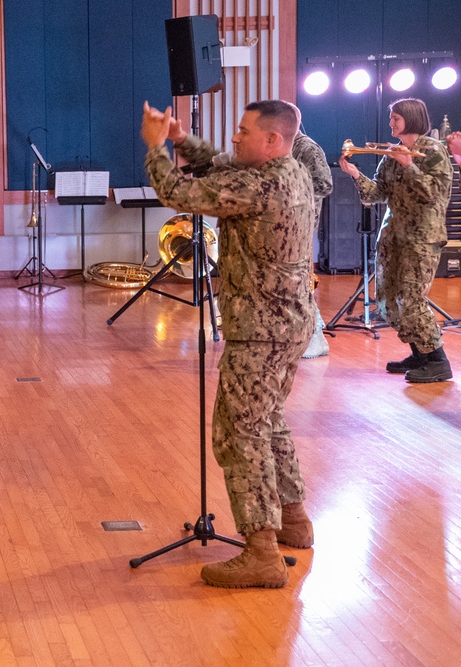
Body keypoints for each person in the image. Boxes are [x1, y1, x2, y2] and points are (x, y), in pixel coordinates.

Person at [142, 99, 315, 589]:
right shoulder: (294, 171)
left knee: (239, 434)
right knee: (269, 421)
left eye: (243, 131)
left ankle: (260, 551)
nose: (234, 138)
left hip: (260, 330)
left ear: (273, 141)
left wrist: (156, 147)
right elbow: (219, 162)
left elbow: (177, 192)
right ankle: (295, 520)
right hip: (291, 323)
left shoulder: (256, 184)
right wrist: (181, 139)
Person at [339, 98, 453, 383]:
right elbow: (377, 194)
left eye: (396, 119)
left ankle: (438, 360)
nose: (391, 123)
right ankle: (420, 353)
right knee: (389, 300)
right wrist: (355, 174)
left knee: (411, 298)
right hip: (394, 237)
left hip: (421, 239)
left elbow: (435, 194)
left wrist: (410, 166)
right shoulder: (391, 154)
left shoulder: (433, 151)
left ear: (411, 120)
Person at [290, 111, 334, 359]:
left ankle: (316, 336)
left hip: (302, 224)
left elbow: (324, 184)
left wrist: (290, 189)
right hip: (286, 224)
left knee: (302, 282)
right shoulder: (284, 147)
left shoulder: (307, 148)